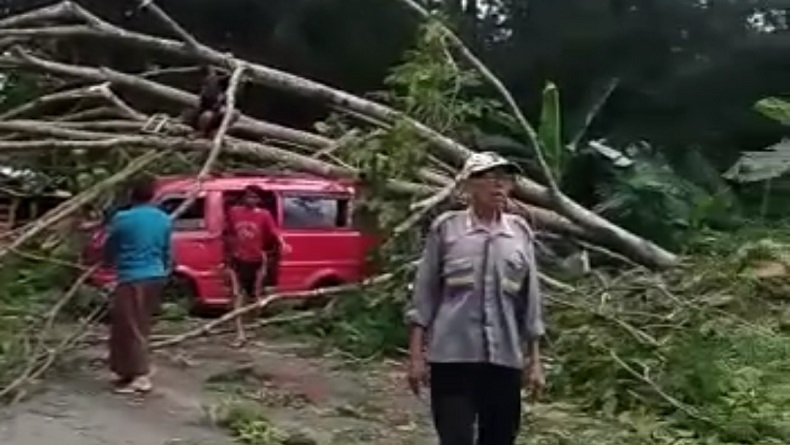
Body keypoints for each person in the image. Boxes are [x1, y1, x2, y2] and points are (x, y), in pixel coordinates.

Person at [406, 152, 546, 445]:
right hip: (452, 358)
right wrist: (416, 357)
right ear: (469, 185)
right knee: (455, 437)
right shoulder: (447, 229)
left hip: (504, 359)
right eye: (490, 178)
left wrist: (535, 362)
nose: (499, 185)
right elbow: (424, 295)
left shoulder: (519, 233)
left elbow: (530, 302)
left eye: (505, 178)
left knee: (499, 437)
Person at [104, 175, 172, 394]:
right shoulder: (163, 219)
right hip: (155, 275)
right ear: (152, 195)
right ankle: (127, 371)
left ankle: (141, 377)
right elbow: (167, 250)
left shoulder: (123, 218)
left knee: (130, 327)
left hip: (133, 277)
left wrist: (105, 263)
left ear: (131, 195)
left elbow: (111, 246)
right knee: (137, 324)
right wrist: (165, 270)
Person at [225, 185, 290, 344]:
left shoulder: (264, 215)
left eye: (254, 197)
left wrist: (283, 243)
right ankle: (240, 334)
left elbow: (274, 232)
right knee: (237, 295)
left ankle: (252, 327)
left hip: (256, 261)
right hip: (237, 259)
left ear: (259, 200)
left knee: (254, 297)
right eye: (248, 196)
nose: (251, 200)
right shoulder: (234, 212)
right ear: (244, 197)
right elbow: (228, 231)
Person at [183, 67, 239, 138]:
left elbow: (231, 104)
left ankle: (215, 132)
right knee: (207, 115)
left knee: (235, 113)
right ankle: (201, 131)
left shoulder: (227, 90)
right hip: (204, 112)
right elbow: (207, 103)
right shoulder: (212, 85)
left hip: (216, 113)